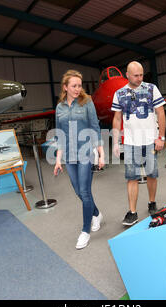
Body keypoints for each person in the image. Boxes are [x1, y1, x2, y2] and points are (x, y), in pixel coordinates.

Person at [53, 70, 105, 250]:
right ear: (65, 87)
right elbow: (59, 135)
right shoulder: (59, 108)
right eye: (73, 86)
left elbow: (95, 127)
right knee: (79, 191)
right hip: (68, 156)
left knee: (84, 191)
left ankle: (85, 231)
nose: (77, 89)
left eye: (79, 85)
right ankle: (96, 214)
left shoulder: (87, 102)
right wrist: (58, 160)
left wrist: (100, 153)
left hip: (85, 152)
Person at [111, 61, 166, 226]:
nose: (139, 78)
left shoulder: (151, 89)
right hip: (130, 143)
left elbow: (160, 112)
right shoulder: (119, 93)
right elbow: (117, 118)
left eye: (141, 74)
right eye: (136, 75)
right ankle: (132, 212)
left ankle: (152, 202)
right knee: (131, 178)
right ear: (127, 75)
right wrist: (115, 142)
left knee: (151, 174)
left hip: (150, 141)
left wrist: (161, 137)